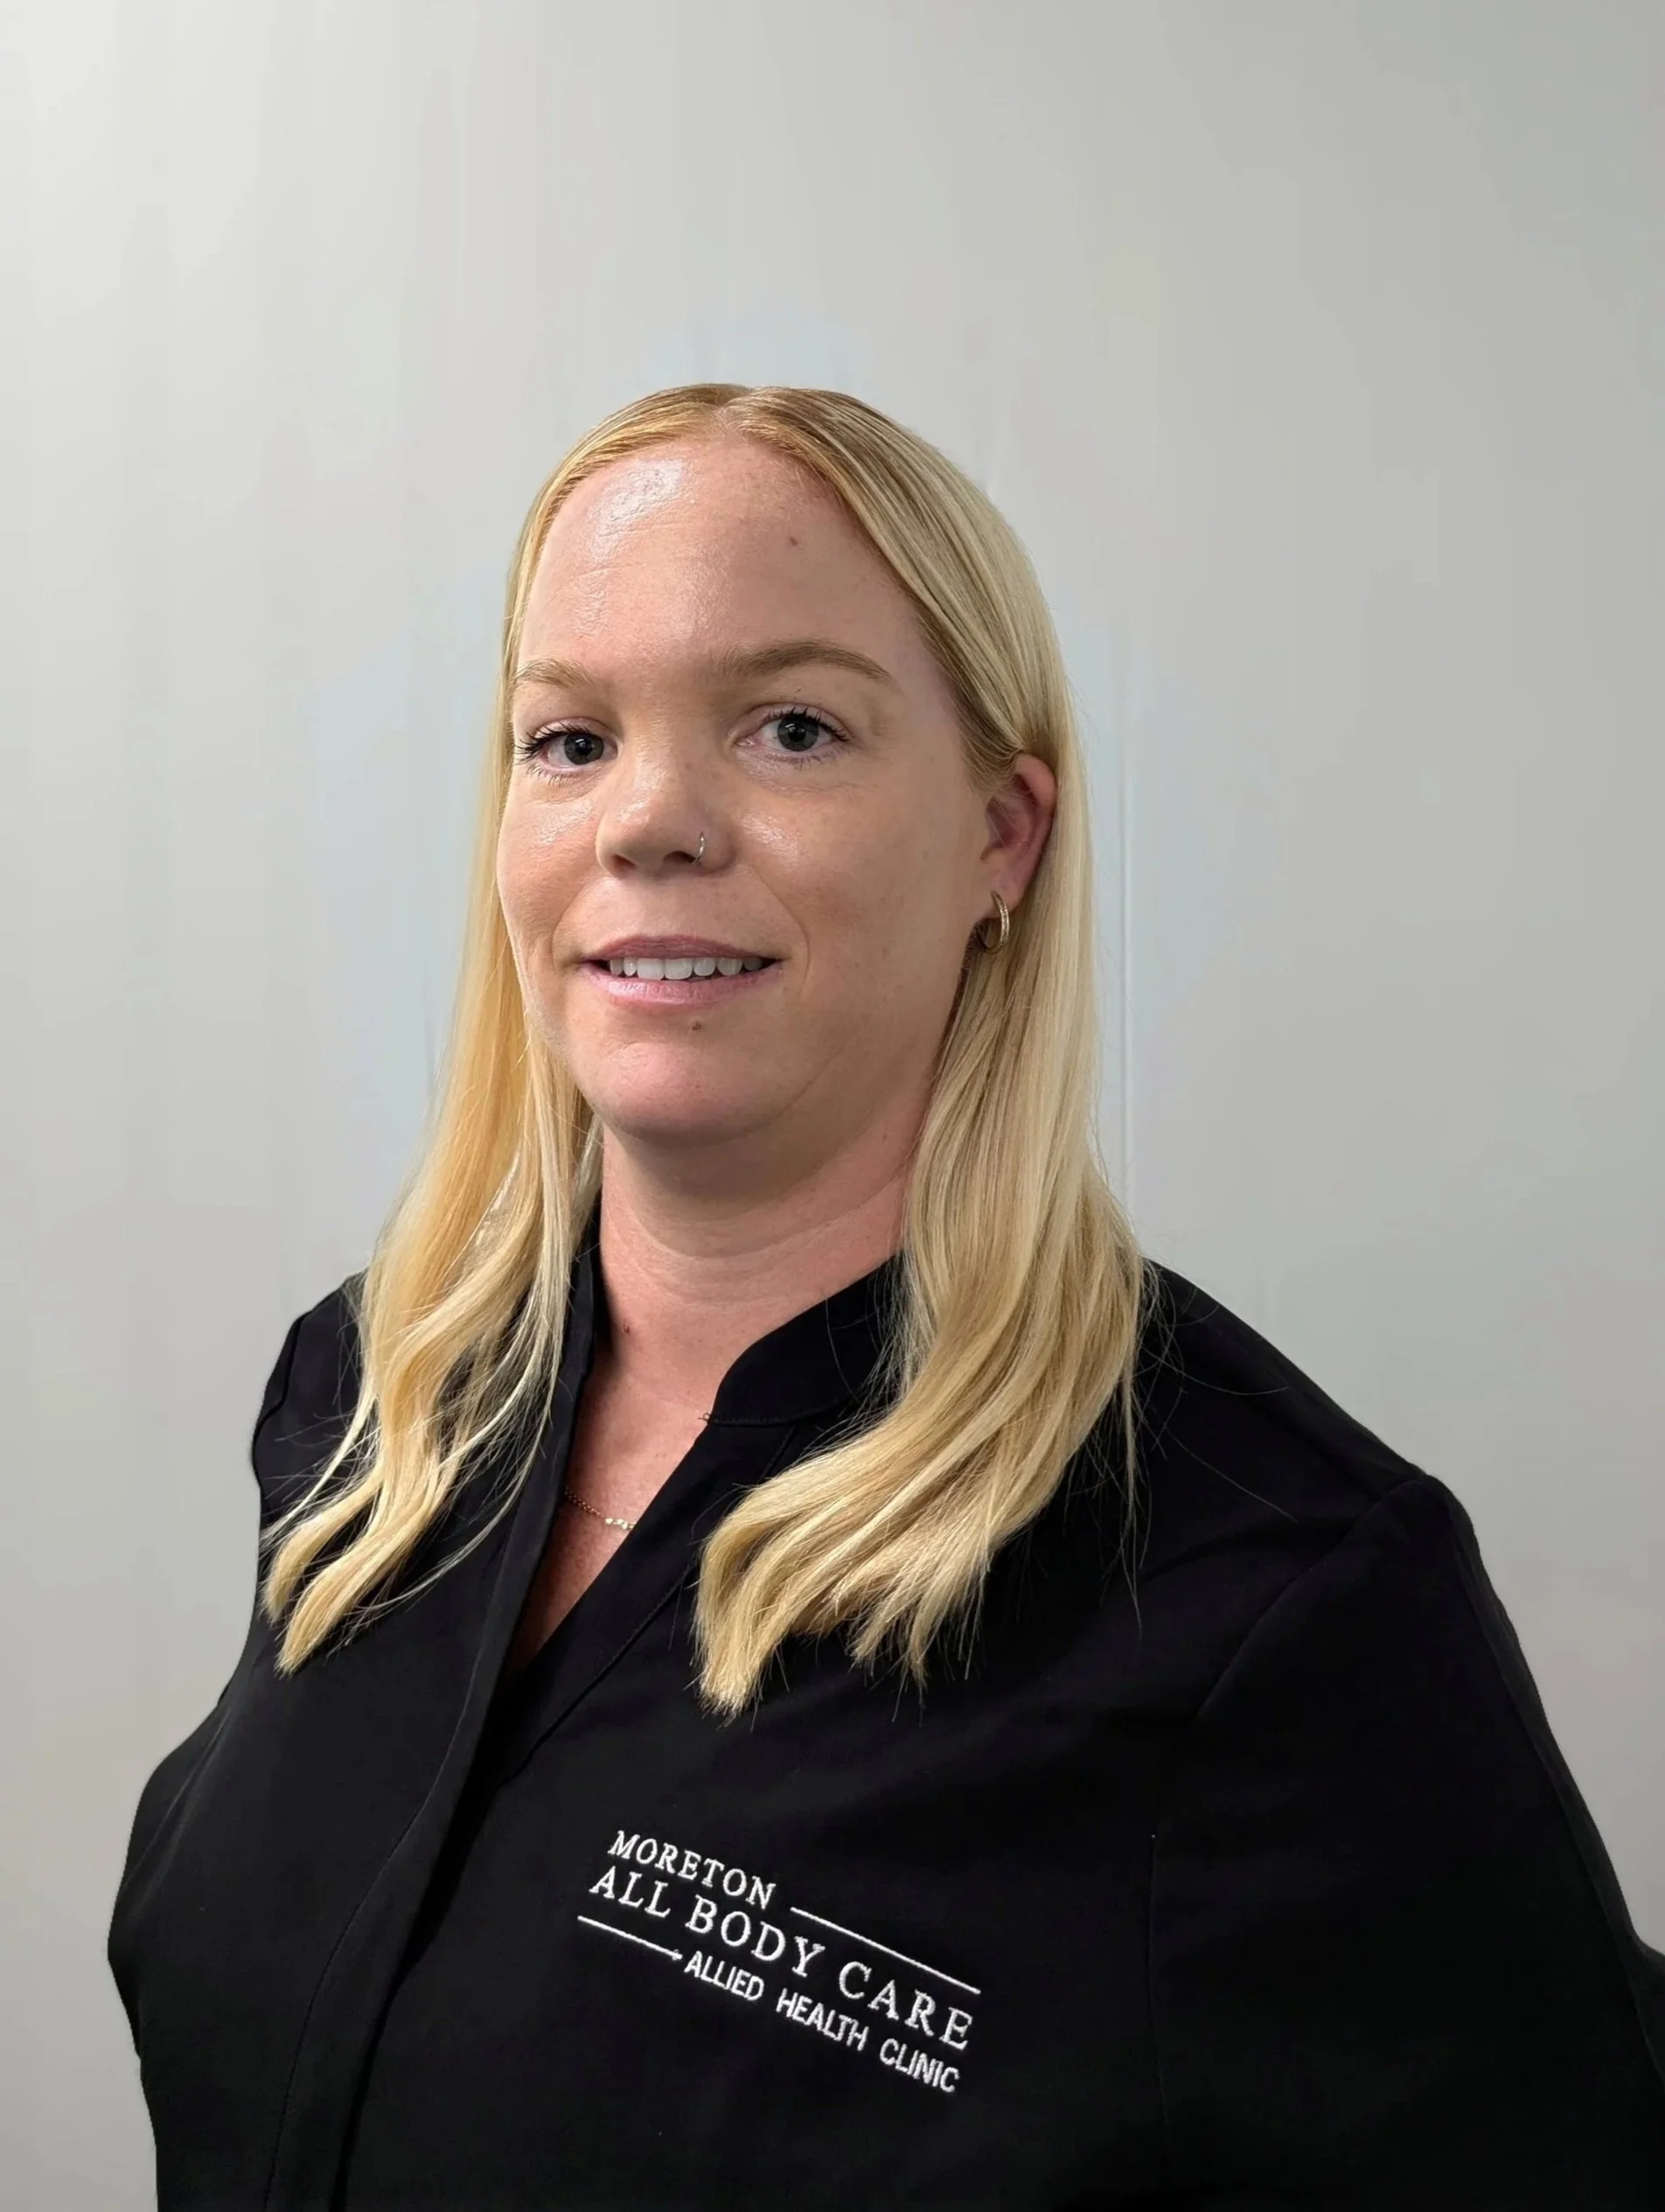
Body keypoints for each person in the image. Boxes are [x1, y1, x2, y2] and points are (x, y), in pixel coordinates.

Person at [108, 383, 1665, 2210]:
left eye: (789, 727)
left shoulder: (1283, 1603)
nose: (651, 821)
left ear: (1001, 838)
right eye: (570, 738)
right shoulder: (378, 1402)